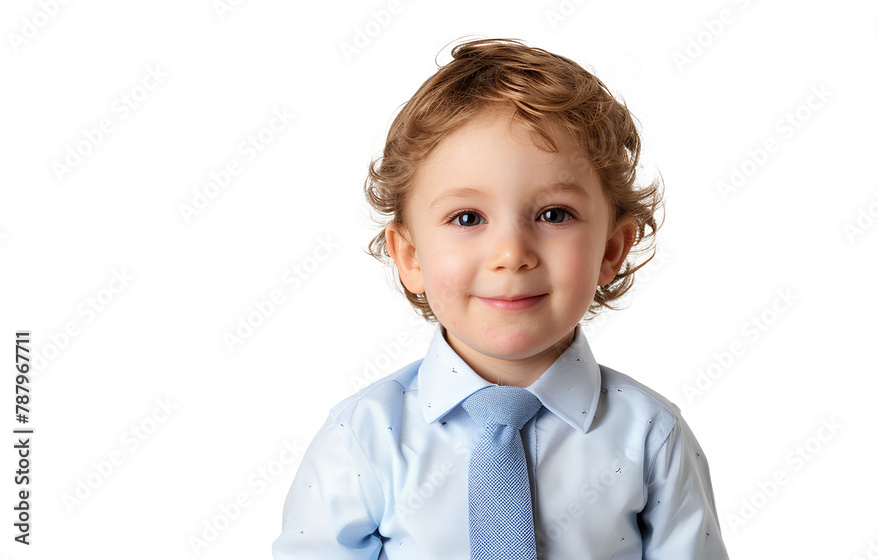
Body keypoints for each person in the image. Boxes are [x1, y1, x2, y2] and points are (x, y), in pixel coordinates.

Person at [273, 37, 729, 559]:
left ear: (611, 249)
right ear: (411, 256)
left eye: (554, 214)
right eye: (467, 218)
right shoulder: (365, 439)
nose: (512, 254)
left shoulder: (651, 437)